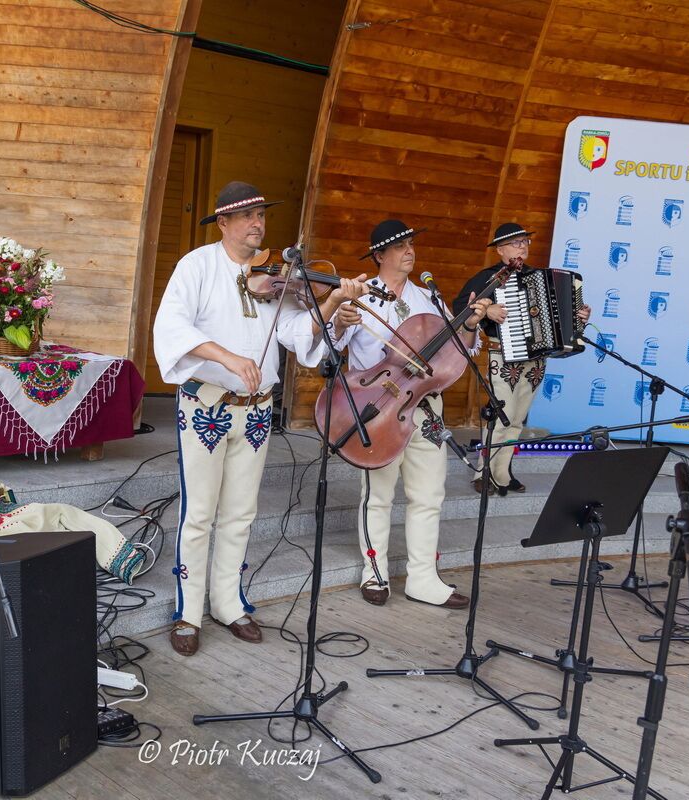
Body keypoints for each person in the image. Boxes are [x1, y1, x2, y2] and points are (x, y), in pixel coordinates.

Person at [153, 181, 366, 656]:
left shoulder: (278, 278)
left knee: (241, 512)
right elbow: (172, 327)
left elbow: (296, 333)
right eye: (248, 216)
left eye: (262, 215)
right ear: (223, 223)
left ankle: (228, 603)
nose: (258, 223)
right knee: (199, 513)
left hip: (255, 410)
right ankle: (188, 612)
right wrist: (227, 356)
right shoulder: (196, 266)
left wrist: (333, 304)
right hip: (207, 406)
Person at [331, 220, 488, 608]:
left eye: (411, 244)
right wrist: (337, 321)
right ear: (379, 255)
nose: (409, 251)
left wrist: (469, 325)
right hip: (379, 409)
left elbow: (461, 350)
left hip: (427, 408)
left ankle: (423, 578)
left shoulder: (429, 298)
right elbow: (330, 343)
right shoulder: (361, 297)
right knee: (378, 495)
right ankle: (374, 572)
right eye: (400, 246)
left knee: (429, 495)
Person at [452, 222, 591, 496]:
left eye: (525, 241)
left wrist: (578, 318)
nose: (522, 246)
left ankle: (502, 473)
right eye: (515, 243)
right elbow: (460, 306)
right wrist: (487, 309)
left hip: (535, 359)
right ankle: (483, 472)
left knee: (517, 419)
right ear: (500, 249)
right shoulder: (488, 277)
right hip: (502, 356)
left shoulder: (538, 276)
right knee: (501, 416)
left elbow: (557, 317)